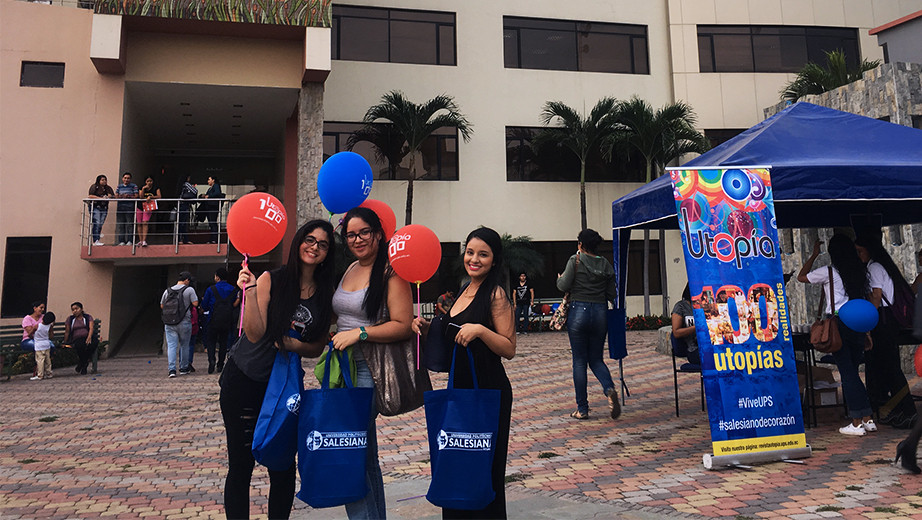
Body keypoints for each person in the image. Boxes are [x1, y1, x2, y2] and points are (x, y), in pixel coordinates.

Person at [223, 220, 336, 519]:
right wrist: (247, 291)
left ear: (328, 253)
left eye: (322, 244)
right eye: (309, 240)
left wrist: (294, 345)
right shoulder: (272, 279)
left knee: (283, 465)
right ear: (298, 242)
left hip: (284, 388)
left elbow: (316, 346)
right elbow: (255, 333)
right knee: (241, 464)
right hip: (245, 379)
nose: (314, 247)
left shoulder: (325, 294)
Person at [412, 226, 516, 519]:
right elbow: (454, 331)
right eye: (470, 252)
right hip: (459, 388)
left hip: (488, 391)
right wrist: (428, 327)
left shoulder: (495, 294)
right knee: (455, 464)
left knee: (485, 470)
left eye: (483, 254)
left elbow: (509, 347)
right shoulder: (463, 290)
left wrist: (481, 330)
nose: (475, 259)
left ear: (494, 260)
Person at [331, 207, 413, 519]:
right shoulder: (351, 268)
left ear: (378, 233)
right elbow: (342, 313)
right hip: (342, 368)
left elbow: (403, 324)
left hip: (369, 368)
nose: (358, 239)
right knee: (364, 456)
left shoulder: (390, 272)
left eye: (365, 232)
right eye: (351, 234)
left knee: (348, 452)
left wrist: (359, 334)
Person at [797, 235, 875, 436]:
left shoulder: (828, 272)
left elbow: (802, 276)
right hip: (858, 322)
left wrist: (814, 255)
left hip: (838, 322)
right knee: (853, 371)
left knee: (847, 373)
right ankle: (867, 418)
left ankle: (857, 421)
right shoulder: (860, 272)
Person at [855, 230, 918, 428]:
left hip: (882, 319)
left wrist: (866, 322)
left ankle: (909, 411)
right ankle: (898, 409)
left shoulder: (874, 267)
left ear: (868, 251)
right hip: (888, 320)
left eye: (860, 251)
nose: (859, 256)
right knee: (886, 367)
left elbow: (876, 296)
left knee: (891, 369)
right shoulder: (884, 266)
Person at [556, 228, 620, 421]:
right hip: (600, 313)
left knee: (579, 362)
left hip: (578, 312)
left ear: (581, 245)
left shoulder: (575, 260)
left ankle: (582, 409)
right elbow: (612, 295)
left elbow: (563, 285)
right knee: (596, 359)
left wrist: (559, 279)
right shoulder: (606, 265)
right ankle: (609, 389)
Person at [160, 271, 199, 377]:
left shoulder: (168, 291)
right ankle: (183, 368)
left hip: (170, 322)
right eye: (189, 280)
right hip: (185, 322)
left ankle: (172, 370)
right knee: (184, 345)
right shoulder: (189, 290)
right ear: (186, 280)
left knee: (172, 346)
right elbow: (195, 303)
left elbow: (162, 306)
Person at [202, 267, 240, 374]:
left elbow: (204, 306)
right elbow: (233, 305)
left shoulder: (211, 289)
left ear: (217, 277)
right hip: (227, 321)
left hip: (212, 320)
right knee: (223, 342)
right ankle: (220, 364)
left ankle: (211, 361)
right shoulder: (233, 289)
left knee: (211, 342)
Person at [671, 284, 700, 364]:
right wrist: (696, 327)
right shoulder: (681, 307)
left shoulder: (705, 305)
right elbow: (676, 333)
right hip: (693, 349)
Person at [64, 302, 95, 375]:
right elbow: (67, 331)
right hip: (77, 338)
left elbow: (91, 328)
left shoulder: (87, 317)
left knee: (93, 343)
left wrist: (89, 337)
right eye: (73, 309)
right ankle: (84, 364)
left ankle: (81, 363)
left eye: (77, 309)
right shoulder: (70, 319)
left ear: (81, 309)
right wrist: (65, 342)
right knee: (80, 345)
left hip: (88, 335)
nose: (75, 311)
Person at [87, 175, 114, 246]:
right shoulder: (95, 186)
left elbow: (112, 195)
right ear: (99, 180)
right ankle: (95, 240)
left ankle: (97, 239)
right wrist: (100, 198)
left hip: (104, 207)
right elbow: (90, 195)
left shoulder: (108, 188)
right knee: (97, 222)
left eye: (105, 180)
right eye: (102, 180)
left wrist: (109, 196)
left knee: (100, 223)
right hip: (96, 207)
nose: (104, 181)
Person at [137, 175, 161, 247]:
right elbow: (141, 197)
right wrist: (144, 189)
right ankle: (140, 240)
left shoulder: (155, 188)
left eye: (150, 181)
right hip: (140, 206)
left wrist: (151, 197)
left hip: (148, 207)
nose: (149, 183)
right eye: (147, 181)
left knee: (145, 222)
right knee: (139, 223)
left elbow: (159, 196)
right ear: (145, 182)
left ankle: (144, 240)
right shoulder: (141, 187)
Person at [115, 172, 139, 246]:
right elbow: (116, 196)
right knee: (121, 225)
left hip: (130, 207)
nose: (126, 179)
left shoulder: (134, 186)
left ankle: (130, 241)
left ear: (130, 179)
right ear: (122, 179)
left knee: (129, 224)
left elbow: (136, 196)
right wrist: (122, 196)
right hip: (120, 207)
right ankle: (122, 241)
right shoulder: (119, 186)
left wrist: (128, 196)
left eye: (128, 178)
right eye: (125, 178)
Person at [30, 311, 55, 381]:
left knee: (40, 360)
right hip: (47, 345)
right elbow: (51, 336)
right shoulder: (49, 326)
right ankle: (49, 373)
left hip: (38, 345)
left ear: (43, 318)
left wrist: (32, 336)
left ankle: (40, 375)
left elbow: (30, 333)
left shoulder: (37, 326)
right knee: (47, 360)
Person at [200, 175, 224, 244]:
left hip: (213, 207)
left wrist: (209, 196)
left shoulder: (215, 186)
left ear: (213, 180)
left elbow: (217, 193)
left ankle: (214, 239)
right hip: (209, 207)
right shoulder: (210, 188)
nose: (208, 181)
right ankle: (212, 239)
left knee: (213, 223)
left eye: (209, 179)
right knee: (211, 223)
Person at [177, 174, 197, 245]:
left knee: (180, 223)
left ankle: (180, 239)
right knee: (183, 223)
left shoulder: (180, 185)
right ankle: (184, 239)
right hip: (184, 206)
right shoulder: (186, 184)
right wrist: (192, 187)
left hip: (180, 205)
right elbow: (195, 191)